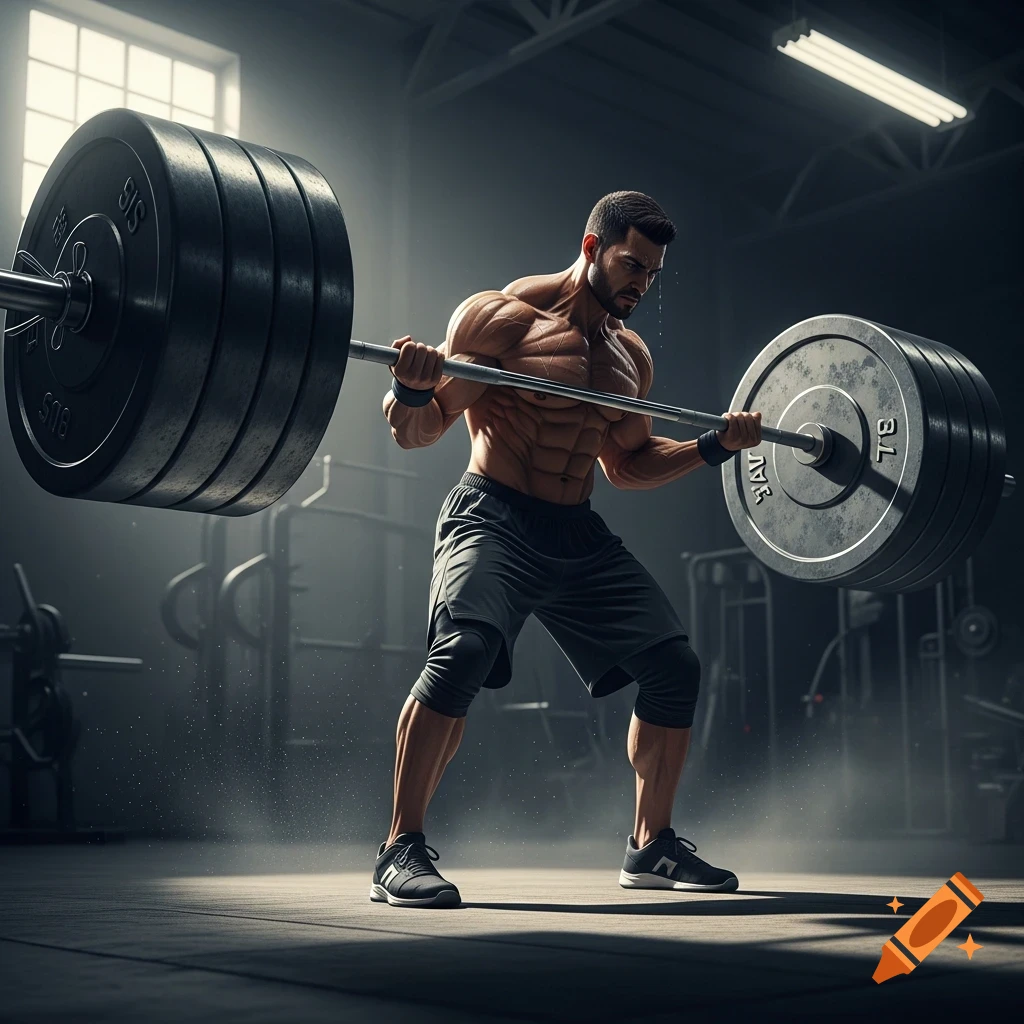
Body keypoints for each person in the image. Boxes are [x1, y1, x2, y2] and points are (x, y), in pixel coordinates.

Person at [372, 191, 762, 907]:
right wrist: (411, 387)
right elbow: (414, 432)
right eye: (630, 265)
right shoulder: (499, 317)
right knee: (463, 651)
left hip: (576, 532)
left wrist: (713, 447)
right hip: (492, 514)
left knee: (674, 668)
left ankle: (651, 845)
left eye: (651, 273)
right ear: (591, 247)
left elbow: (630, 465)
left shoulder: (629, 360)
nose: (640, 284)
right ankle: (400, 848)